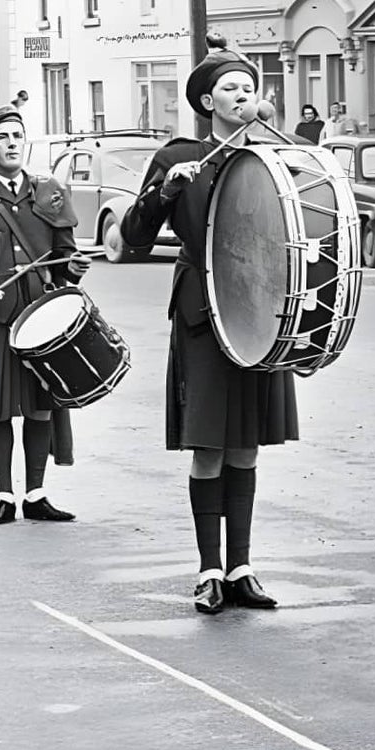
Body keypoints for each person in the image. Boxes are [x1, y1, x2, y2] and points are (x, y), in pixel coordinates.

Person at [122, 49, 295, 614]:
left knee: (245, 445)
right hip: (203, 312)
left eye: (250, 86)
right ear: (206, 103)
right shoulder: (179, 157)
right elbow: (134, 238)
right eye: (232, 89)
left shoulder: (272, 159)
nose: (245, 95)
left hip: (261, 312)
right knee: (210, 447)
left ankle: (242, 565)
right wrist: (167, 189)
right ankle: (209, 570)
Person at [0, 106, 91, 526]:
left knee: (41, 405)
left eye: (17, 136)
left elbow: (65, 255)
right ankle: (5, 497)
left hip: (42, 313)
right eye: (3, 137)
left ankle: (37, 494)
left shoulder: (49, 192)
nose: (12, 143)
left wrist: (73, 267)